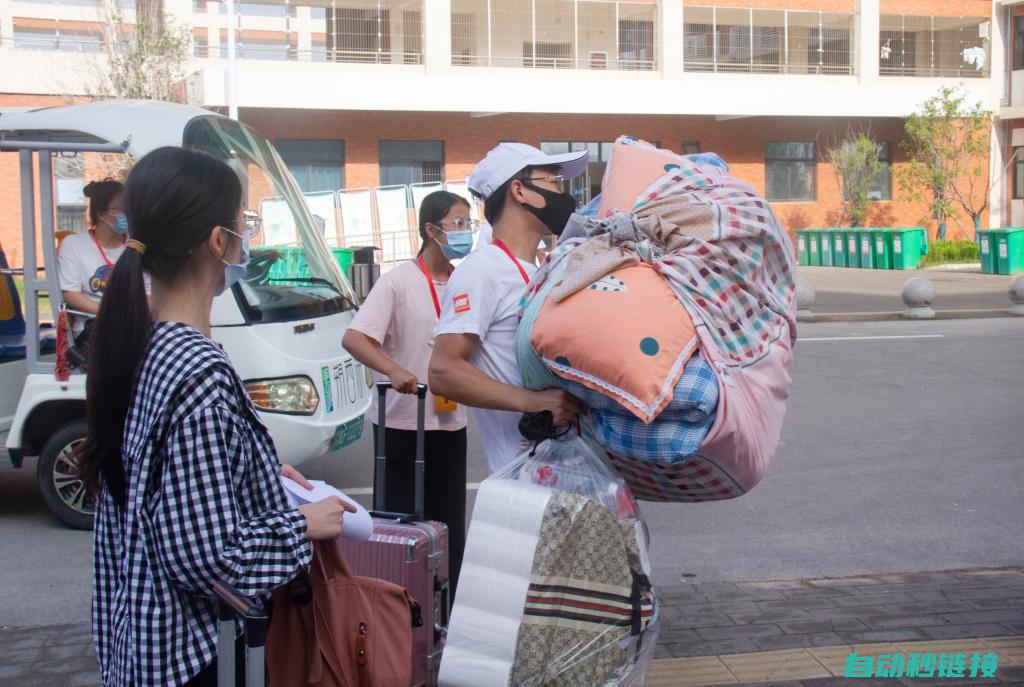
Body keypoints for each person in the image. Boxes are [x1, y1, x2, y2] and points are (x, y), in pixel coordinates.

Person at [78, 146, 355, 687]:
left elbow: (166, 485)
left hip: (141, 637)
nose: (247, 237)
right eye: (244, 222)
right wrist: (303, 525)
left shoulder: (144, 342)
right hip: (196, 655)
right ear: (217, 241)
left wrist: (260, 477)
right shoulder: (197, 366)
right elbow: (204, 556)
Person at [342, 190, 472, 595]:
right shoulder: (398, 282)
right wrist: (394, 370)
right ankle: (397, 607)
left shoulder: (465, 283)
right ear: (431, 230)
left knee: (448, 524)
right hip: (403, 421)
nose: (465, 231)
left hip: (451, 422)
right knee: (401, 524)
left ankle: (445, 614)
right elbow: (356, 338)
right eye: (458, 223)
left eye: (469, 223)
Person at [428, 143, 588, 472]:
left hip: (573, 468)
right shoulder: (482, 270)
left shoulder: (542, 268)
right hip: (525, 478)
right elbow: (443, 371)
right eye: (554, 182)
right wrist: (534, 403)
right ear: (519, 190)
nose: (562, 194)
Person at [57, 179, 126, 347]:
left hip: (132, 326)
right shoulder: (74, 244)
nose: (128, 214)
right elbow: (70, 294)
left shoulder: (136, 245)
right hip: (95, 328)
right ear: (101, 214)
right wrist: (111, 313)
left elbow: (148, 292)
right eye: (123, 209)